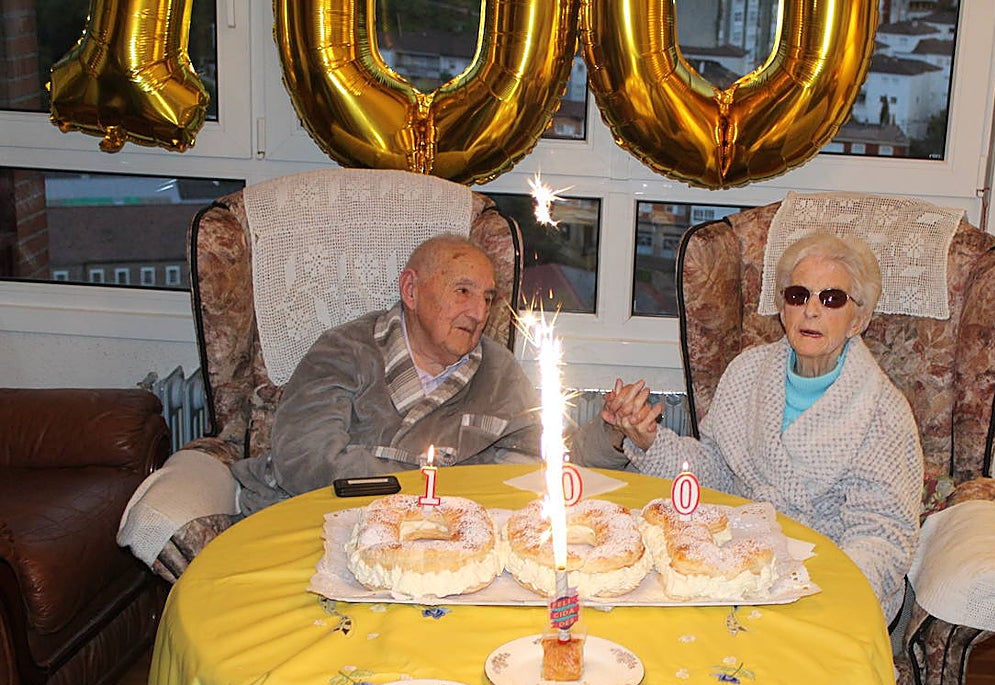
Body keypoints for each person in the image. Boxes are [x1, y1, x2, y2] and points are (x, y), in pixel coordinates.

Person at [587, 231, 923, 623]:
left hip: (828, 579)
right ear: (783, 310)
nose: (811, 311)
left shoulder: (883, 410)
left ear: (858, 319)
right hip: (737, 556)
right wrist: (648, 440)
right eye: (798, 295)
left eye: (831, 299)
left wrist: (823, 590)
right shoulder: (747, 372)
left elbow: (882, 535)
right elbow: (714, 471)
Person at [232, 233, 549, 514]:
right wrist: (439, 482)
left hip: (438, 532)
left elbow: (543, 455)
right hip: (310, 517)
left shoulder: (497, 368)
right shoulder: (343, 350)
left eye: (488, 298)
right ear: (411, 290)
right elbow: (307, 461)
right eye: (463, 291)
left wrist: (601, 436)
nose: (479, 313)